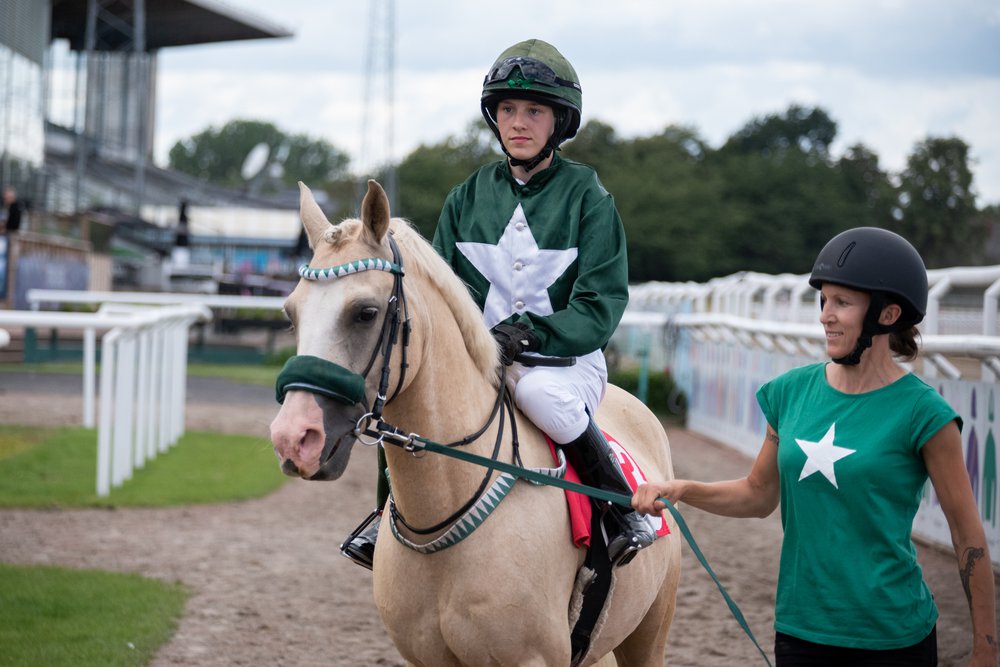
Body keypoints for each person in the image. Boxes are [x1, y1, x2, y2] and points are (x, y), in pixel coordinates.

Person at [340, 38, 655, 571]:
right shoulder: (466, 196)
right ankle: (384, 519)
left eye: (534, 110)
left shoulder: (589, 196)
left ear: (560, 121)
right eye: (508, 110)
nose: (519, 122)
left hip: (563, 363)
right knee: (405, 403)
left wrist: (530, 335)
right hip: (478, 361)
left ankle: (621, 510)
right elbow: (434, 294)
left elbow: (600, 306)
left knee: (538, 394)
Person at [633, 227, 998, 666]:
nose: (825, 315)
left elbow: (966, 533)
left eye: (842, 302)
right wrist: (683, 489)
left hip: (894, 636)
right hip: (801, 629)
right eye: (823, 300)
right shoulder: (788, 393)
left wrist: (986, 648)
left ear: (887, 314)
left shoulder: (927, 414)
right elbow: (757, 494)